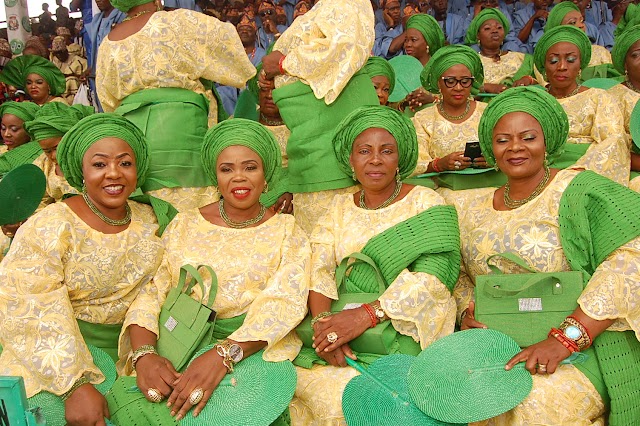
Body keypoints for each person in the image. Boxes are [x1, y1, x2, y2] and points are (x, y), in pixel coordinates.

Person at [454, 86, 640, 425]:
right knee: (460, 402)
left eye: (528, 137)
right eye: (502, 140)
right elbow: (464, 278)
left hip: (577, 351)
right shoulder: (472, 208)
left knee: (533, 404)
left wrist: (567, 339)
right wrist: (467, 314)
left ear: (548, 141)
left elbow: (632, 255)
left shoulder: (580, 190)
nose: (515, 148)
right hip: (494, 349)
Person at [109, 118, 309, 423]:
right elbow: (155, 289)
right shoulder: (185, 223)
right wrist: (145, 354)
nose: (238, 178)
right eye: (226, 169)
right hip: (177, 341)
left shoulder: (287, 231)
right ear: (215, 177)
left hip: (249, 350)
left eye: (250, 167)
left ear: (266, 174)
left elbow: (285, 303)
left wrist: (222, 355)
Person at [291, 106, 460, 424]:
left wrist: (367, 315)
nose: (375, 159)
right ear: (351, 161)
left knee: (387, 401)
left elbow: (435, 277)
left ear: (401, 159)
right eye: (364, 151)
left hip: (405, 329)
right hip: (341, 326)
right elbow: (319, 268)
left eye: (387, 151)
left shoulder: (426, 202)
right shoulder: (338, 208)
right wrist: (325, 327)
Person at [0, 113, 165, 426]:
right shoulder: (51, 225)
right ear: (81, 170)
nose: (113, 174)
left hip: (134, 352)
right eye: (99, 164)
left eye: (125, 163)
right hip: (54, 354)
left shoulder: (154, 219)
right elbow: (30, 303)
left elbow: (160, 287)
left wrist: (144, 353)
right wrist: (74, 384)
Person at [96, 0, 256, 211]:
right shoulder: (180, 21)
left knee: (147, 213)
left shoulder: (107, 43)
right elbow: (227, 42)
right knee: (193, 212)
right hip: (183, 136)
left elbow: (107, 102)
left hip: (132, 142)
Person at [259, 0, 379, 236]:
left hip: (332, 153)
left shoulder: (345, 3)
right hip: (310, 148)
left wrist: (283, 64)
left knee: (343, 247)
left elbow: (343, 46)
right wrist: (270, 74)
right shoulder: (324, 7)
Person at [533, 25, 629, 185]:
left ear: (580, 65)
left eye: (570, 60)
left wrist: (576, 173)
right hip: (536, 169)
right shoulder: (534, 99)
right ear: (544, 67)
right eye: (553, 60)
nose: (562, 66)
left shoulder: (598, 97)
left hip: (585, 169)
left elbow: (614, 141)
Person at [412, 45, 488, 176]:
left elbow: (509, 150)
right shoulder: (423, 119)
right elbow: (414, 165)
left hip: (490, 188)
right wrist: (439, 164)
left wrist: (494, 160)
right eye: (450, 81)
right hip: (442, 192)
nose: (458, 87)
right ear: (438, 83)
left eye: (465, 81)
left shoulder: (488, 113)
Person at [25, 102, 94, 207]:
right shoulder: (43, 165)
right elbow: (39, 203)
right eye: (47, 151)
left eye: (57, 148)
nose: (53, 156)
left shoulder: (93, 159)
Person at [466, 8, 537, 94]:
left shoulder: (522, 58)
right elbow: (463, 90)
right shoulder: (472, 63)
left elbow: (545, 83)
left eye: (499, 27)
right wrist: (486, 87)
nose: (495, 31)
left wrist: (529, 79)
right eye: (487, 28)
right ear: (478, 35)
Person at [543, 1, 617, 81]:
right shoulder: (547, 58)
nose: (580, 25)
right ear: (557, 29)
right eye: (572, 23)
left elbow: (615, 80)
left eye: (582, 21)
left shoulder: (600, 52)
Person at [88, 0, 126, 111]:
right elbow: (96, 47)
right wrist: (92, 67)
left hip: (117, 71)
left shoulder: (123, 16)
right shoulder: (96, 21)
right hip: (100, 72)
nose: (98, 1)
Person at [0, 55, 68, 106]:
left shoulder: (58, 104)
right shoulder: (25, 105)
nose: (33, 86)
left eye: (39, 82)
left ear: (49, 85)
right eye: (29, 83)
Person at [0, 101, 41, 177]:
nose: (6, 134)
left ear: (29, 130)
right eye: (3, 128)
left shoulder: (40, 155)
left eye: (14, 129)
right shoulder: (2, 149)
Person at [50, 36, 89, 104]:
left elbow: (86, 74)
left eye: (60, 52)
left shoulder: (78, 60)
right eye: (56, 53)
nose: (59, 55)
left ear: (66, 51)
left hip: (78, 95)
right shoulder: (54, 62)